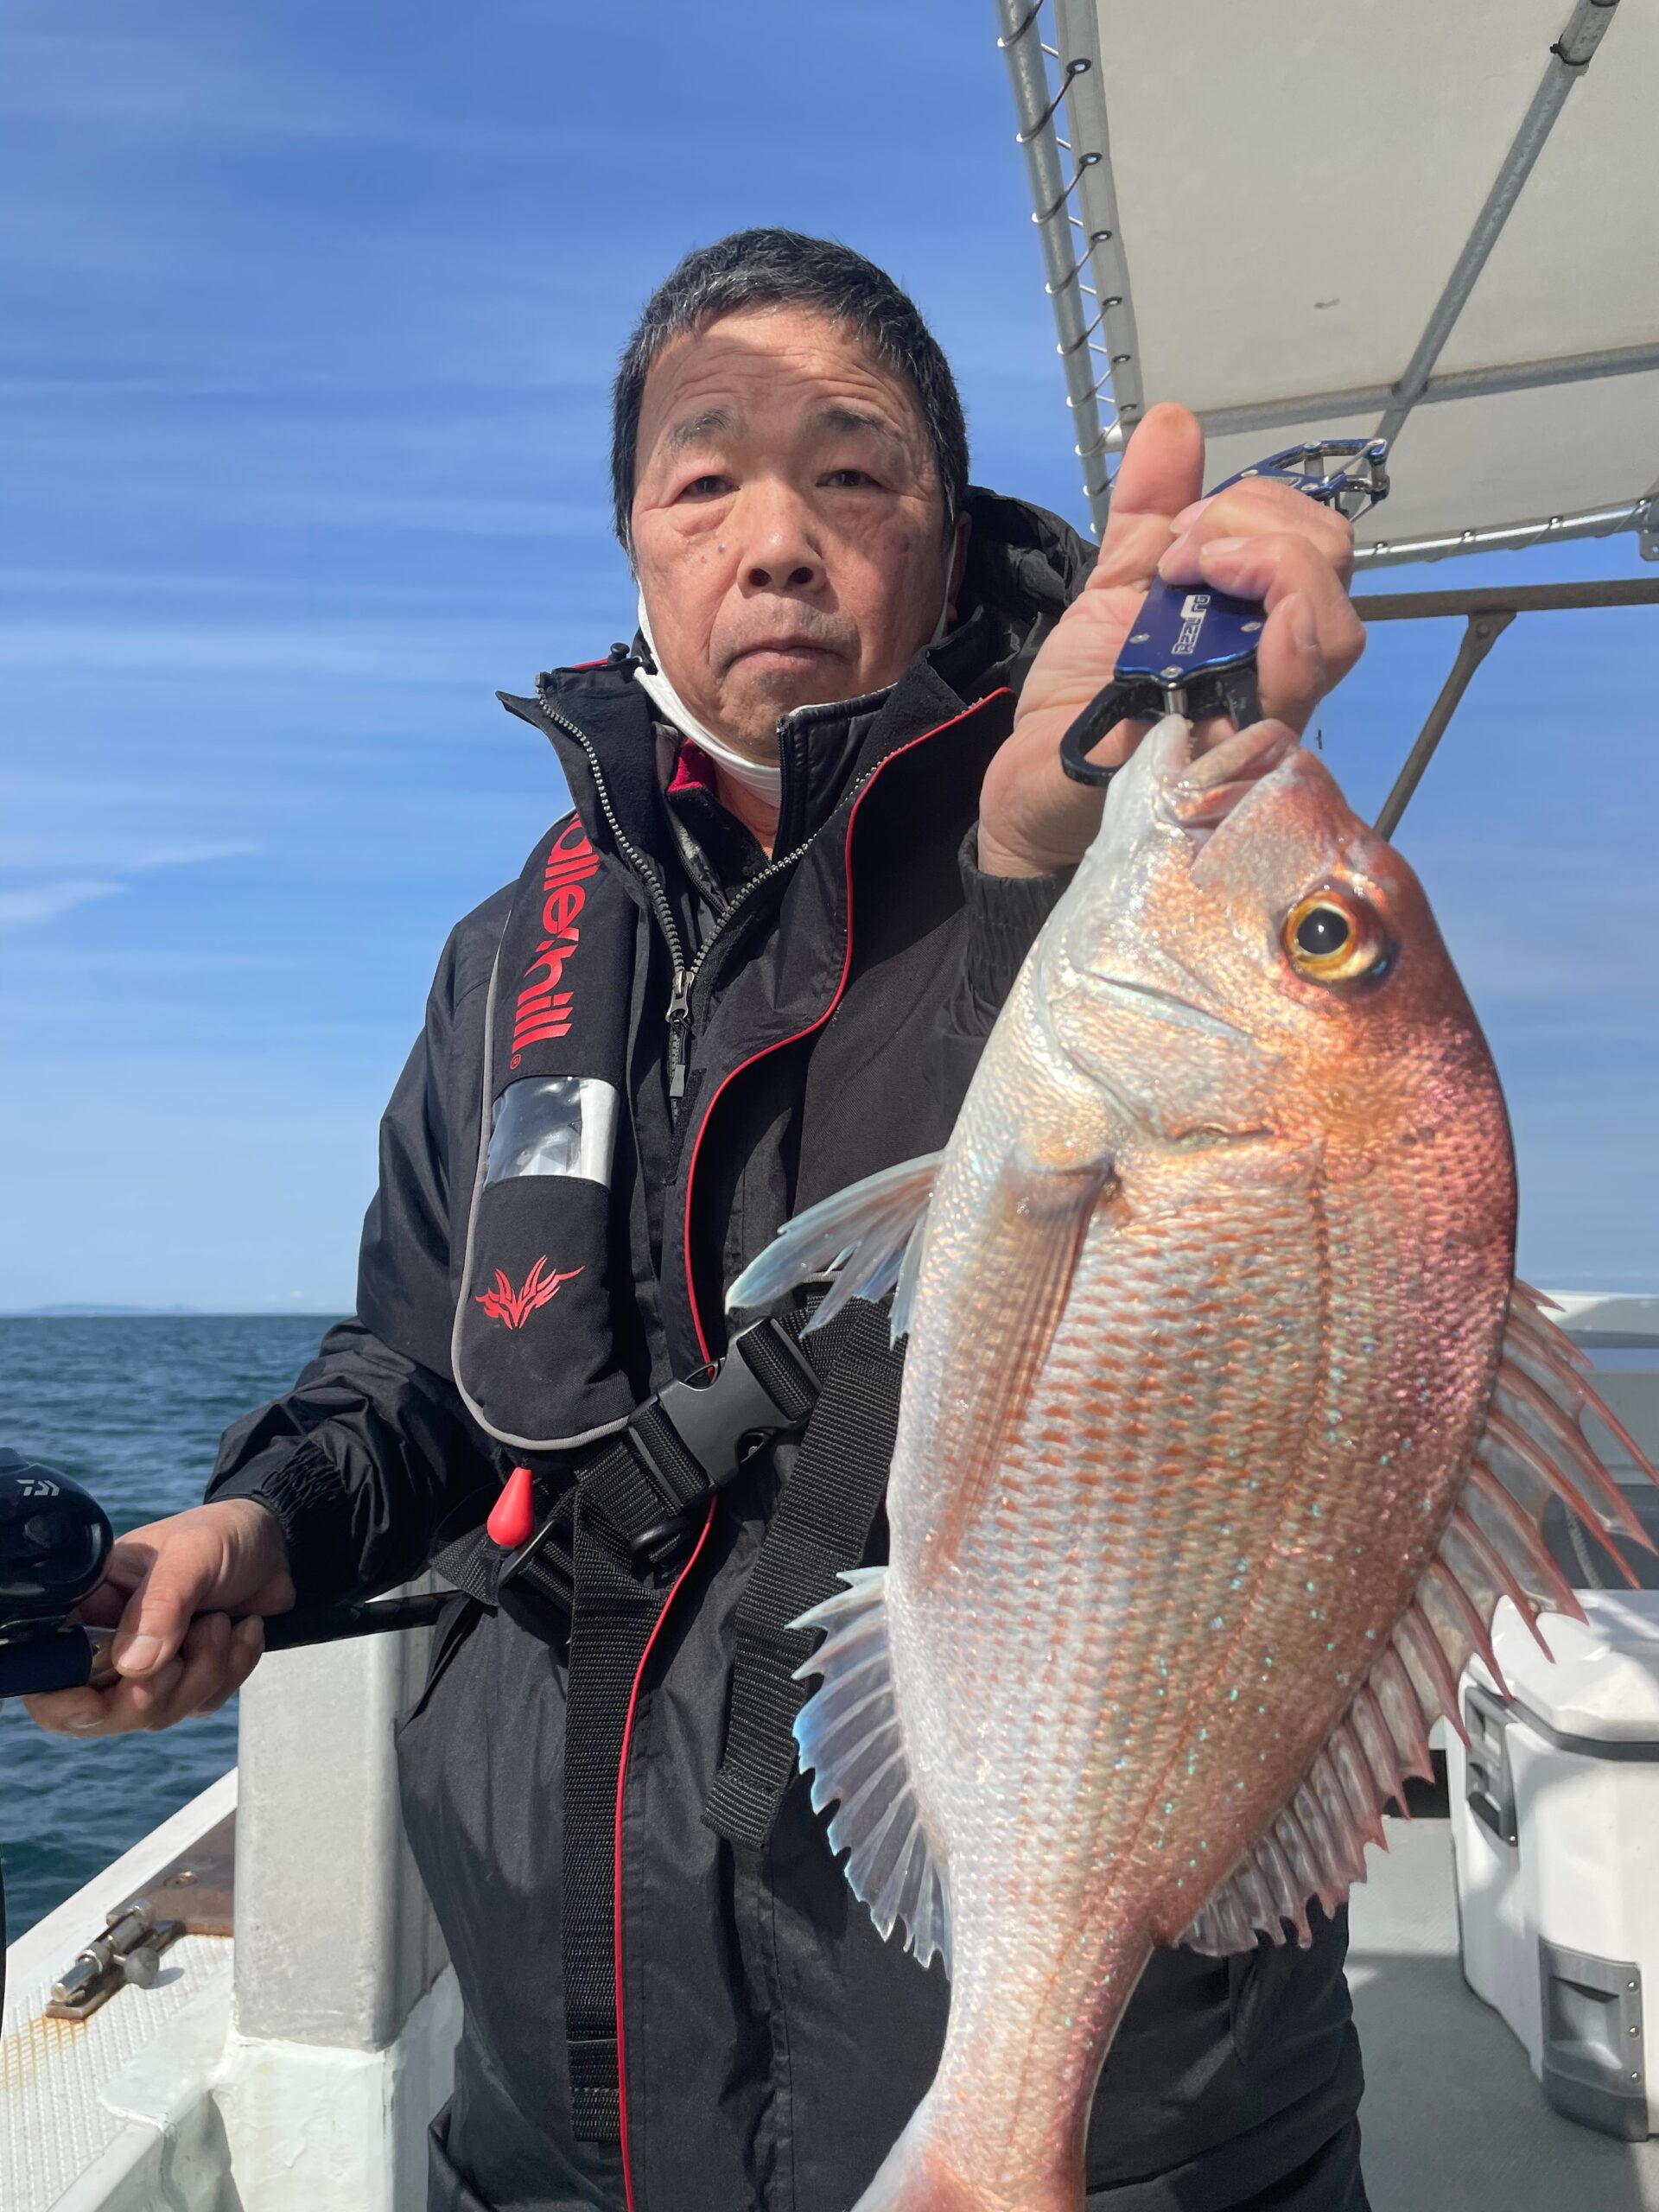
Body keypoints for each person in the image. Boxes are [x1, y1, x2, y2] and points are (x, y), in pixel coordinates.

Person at [25, 231, 1368, 2211]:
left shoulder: (1125, 877)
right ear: (634, 545)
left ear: (948, 534)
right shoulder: (516, 951)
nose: (777, 542)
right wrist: (262, 1523)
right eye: (706, 476)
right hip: (574, 2082)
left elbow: (1145, 1248)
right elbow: (424, 1363)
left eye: (853, 471)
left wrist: (1052, 853)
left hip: (1098, 2109)